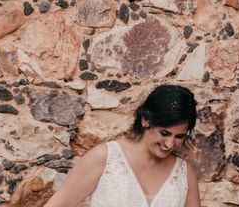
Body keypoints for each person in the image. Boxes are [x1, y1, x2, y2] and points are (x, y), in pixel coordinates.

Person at [44, 84, 201, 207]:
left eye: (179, 136)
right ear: (146, 120)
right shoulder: (105, 158)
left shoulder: (184, 173)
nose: (169, 144)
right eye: (164, 133)